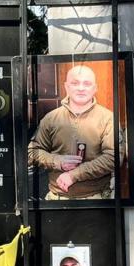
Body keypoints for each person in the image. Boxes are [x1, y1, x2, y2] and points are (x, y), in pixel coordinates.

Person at [28, 65, 122, 199]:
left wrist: (74, 175)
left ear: (95, 88)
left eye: (87, 83)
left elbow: (114, 157)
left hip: (96, 200)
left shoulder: (107, 118)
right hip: (57, 200)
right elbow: (32, 152)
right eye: (75, 83)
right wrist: (57, 161)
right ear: (66, 87)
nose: (81, 88)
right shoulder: (51, 118)